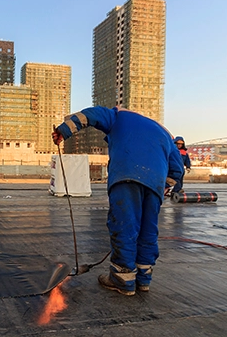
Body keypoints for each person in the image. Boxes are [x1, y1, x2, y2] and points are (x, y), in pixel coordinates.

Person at [52, 106, 184, 296]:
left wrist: (63, 131)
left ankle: (122, 279)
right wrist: (164, 187)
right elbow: (177, 169)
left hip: (127, 175)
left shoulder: (117, 115)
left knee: (124, 226)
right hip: (155, 184)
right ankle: (143, 279)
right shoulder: (163, 131)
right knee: (148, 230)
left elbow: (89, 116)